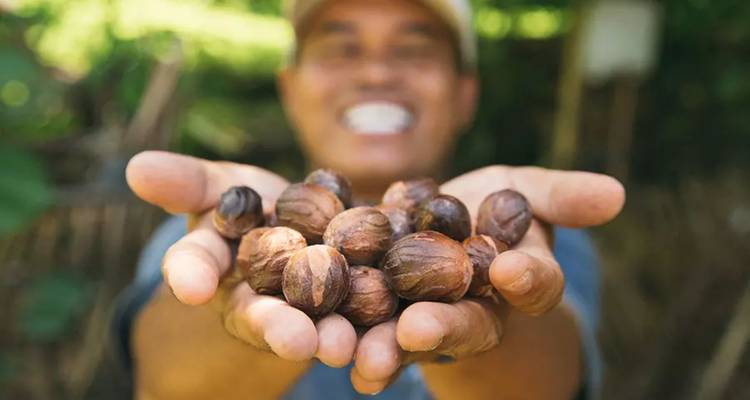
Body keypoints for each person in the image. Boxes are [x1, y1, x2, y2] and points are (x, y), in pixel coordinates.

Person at [114, 0, 625, 399]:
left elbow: (547, 386)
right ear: (290, 90)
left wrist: (481, 329)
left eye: (412, 49)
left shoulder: (545, 237)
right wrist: (233, 294)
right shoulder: (201, 233)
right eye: (342, 48)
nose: (376, 72)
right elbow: (166, 384)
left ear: (466, 93)